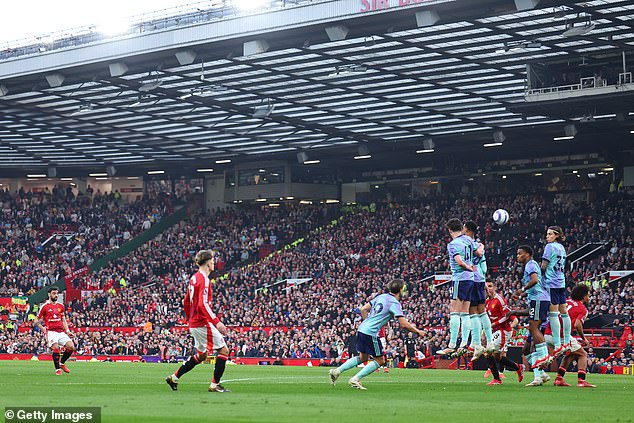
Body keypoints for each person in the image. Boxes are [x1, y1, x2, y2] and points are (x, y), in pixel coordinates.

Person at [329, 279, 425, 390]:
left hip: (362, 329)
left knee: (363, 357)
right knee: (380, 360)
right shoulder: (394, 302)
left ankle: (336, 371)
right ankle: (355, 379)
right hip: (370, 332)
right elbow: (403, 324)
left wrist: (367, 322)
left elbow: (363, 309)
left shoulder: (381, 296)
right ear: (400, 290)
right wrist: (418, 332)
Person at [166, 250, 230, 393]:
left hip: (194, 323)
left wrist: (190, 319)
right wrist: (217, 321)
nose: (214, 262)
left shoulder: (194, 278)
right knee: (224, 350)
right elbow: (203, 304)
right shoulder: (204, 280)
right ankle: (215, 385)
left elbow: (186, 301)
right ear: (208, 262)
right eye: (213, 260)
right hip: (201, 323)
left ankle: (173, 378)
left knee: (202, 355)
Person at [437, 218, 483, 357]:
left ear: (450, 230)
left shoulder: (453, 244)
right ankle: (463, 344)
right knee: (465, 312)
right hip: (471, 280)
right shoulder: (469, 240)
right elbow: (479, 252)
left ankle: (451, 345)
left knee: (455, 311)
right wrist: (481, 247)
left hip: (459, 278)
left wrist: (467, 266)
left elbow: (459, 261)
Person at [544, 284, 596, 388]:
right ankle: (581, 381)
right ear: (583, 296)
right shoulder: (582, 309)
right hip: (561, 337)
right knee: (583, 354)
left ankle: (559, 379)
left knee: (571, 354)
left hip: (548, 334)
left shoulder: (566, 301)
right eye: (588, 295)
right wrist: (583, 338)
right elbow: (577, 324)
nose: (588, 298)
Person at [512, 245, 553, 377]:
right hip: (538, 299)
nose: (518, 256)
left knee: (533, 328)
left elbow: (535, 280)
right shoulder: (530, 265)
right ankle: (540, 374)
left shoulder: (530, 265)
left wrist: (522, 290)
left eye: (520, 254)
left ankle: (544, 356)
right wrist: (520, 296)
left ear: (528, 254)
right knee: (531, 335)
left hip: (539, 300)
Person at [483, 281, 524, 385]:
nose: (489, 289)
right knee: (497, 357)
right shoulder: (487, 301)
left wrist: (494, 324)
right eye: (487, 287)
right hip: (496, 331)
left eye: (490, 286)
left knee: (488, 352)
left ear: (495, 287)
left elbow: (506, 316)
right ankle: (517, 367)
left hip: (503, 330)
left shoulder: (500, 300)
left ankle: (497, 379)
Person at [463, 221, 493, 361]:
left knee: (472, 312)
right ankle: (490, 341)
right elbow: (485, 268)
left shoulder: (464, 243)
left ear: (467, 230)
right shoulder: (480, 245)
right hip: (480, 279)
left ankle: (476, 343)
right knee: (482, 311)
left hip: (469, 278)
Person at [542, 226, 570, 356]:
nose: (547, 236)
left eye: (550, 234)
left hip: (551, 281)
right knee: (564, 312)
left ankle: (558, 344)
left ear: (556, 235)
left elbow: (544, 265)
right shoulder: (562, 248)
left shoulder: (549, 247)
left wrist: (538, 276)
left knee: (553, 313)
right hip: (561, 281)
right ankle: (567, 341)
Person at [35, 286, 76, 375]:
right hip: (51, 331)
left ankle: (61, 363)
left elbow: (63, 319)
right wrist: (43, 329)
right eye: (54, 293)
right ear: (49, 294)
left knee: (71, 347)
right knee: (56, 348)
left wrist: (68, 331)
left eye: (57, 293)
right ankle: (57, 369)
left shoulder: (60, 306)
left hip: (61, 331)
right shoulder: (44, 306)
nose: (56, 295)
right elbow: (36, 320)